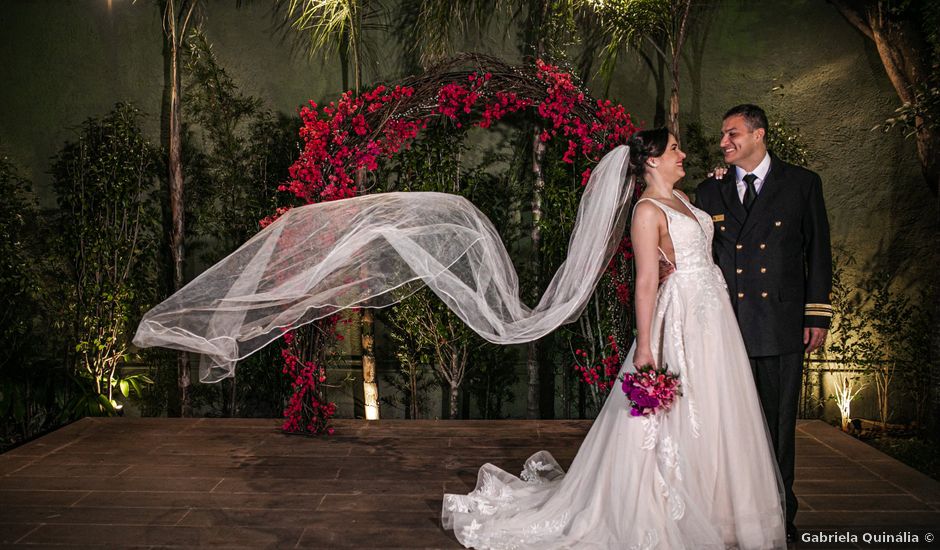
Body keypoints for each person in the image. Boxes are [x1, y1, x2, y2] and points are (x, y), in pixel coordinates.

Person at [442, 128, 786, 549]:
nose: (683, 154)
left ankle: (718, 509)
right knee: (675, 413)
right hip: (680, 316)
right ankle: (666, 506)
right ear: (653, 161)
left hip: (713, 315)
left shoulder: (687, 200)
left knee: (715, 405)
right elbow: (645, 282)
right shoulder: (646, 211)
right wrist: (645, 346)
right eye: (674, 148)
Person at [694, 104, 832, 544]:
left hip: (778, 324)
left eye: (732, 133)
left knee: (776, 426)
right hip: (725, 328)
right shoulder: (709, 191)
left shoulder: (802, 184)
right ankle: (733, 514)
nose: (723, 142)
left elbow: (819, 254)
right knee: (729, 427)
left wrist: (816, 314)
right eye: (722, 135)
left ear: (759, 135)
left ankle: (778, 513)